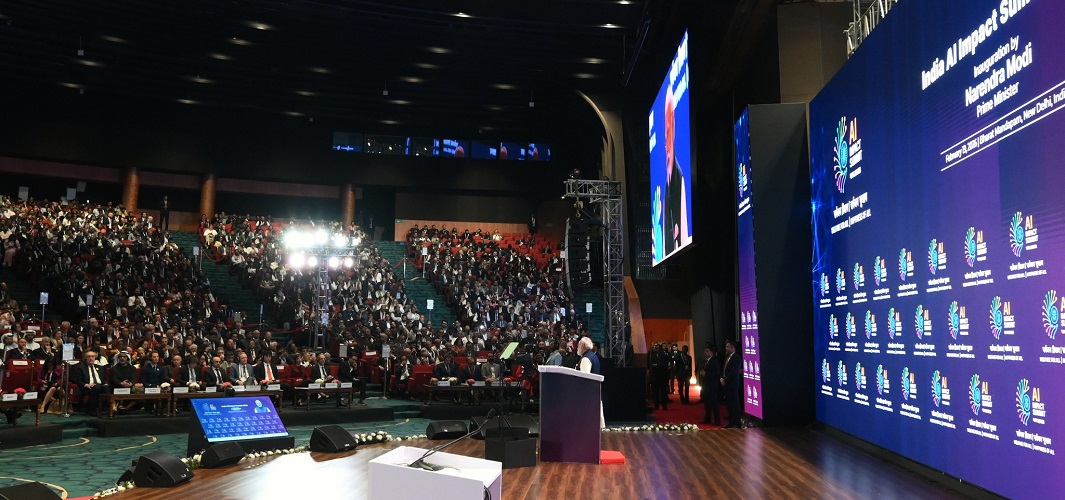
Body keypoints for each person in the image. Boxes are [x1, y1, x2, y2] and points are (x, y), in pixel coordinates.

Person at [655, 87, 690, 259]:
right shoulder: (665, 185)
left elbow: (684, 235)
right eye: (665, 125)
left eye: (670, 123)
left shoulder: (680, 178)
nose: (667, 131)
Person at [576, 336, 604, 428]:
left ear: (583, 346)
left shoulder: (586, 359)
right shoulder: (594, 356)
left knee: (588, 422)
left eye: (579, 345)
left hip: (588, 395)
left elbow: (584, 377)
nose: (577, 347)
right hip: (595, 392)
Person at [71, 350, 108, 416]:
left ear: (95, 358)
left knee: (107, 388)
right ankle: (93, 410)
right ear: (85, 358)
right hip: (87, 387)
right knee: (95, 388)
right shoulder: (80, 367)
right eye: (89, 356)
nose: (91, 358)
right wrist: (86, 385)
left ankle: (107, 409)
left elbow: (104, 379)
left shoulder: (100, 367)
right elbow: (77, 380)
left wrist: (105, 383)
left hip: (100, 386)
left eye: (92, 356)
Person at [721, 340, 742, 428]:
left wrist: (725, 380)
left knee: (734, 403)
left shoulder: (736, 358)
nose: (726, 348)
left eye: (728, 346)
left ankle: (737, 422)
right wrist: (722, 378)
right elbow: (725, 368)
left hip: (732, 384)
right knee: (729, 403)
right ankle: (731, 421)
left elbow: (734, 372)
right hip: (727, 383)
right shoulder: (727, 356)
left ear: (733, 347)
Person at [698, 344, 721, 425]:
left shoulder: (714, 362)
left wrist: (705, 374)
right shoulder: (706, 361)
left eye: (707, 351)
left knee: (714, 403)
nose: (705, 353)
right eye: (705, 351)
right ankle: (707, 419)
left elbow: (716, 374)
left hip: (712, 385)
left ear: (711, 352)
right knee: (707, 403)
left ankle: (717, 420)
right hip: (706, 385)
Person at [648, 343, 671, 410]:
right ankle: (656, 405)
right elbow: (651, 365)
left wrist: (657, 365)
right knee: (655, 392)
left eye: (657, 347)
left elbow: (664, 364)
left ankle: (664, 405)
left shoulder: (664, 355)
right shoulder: (652, 356)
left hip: (662, 376)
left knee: (663, 391)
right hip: (654, 376)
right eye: (655, 347)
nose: (656, 348)